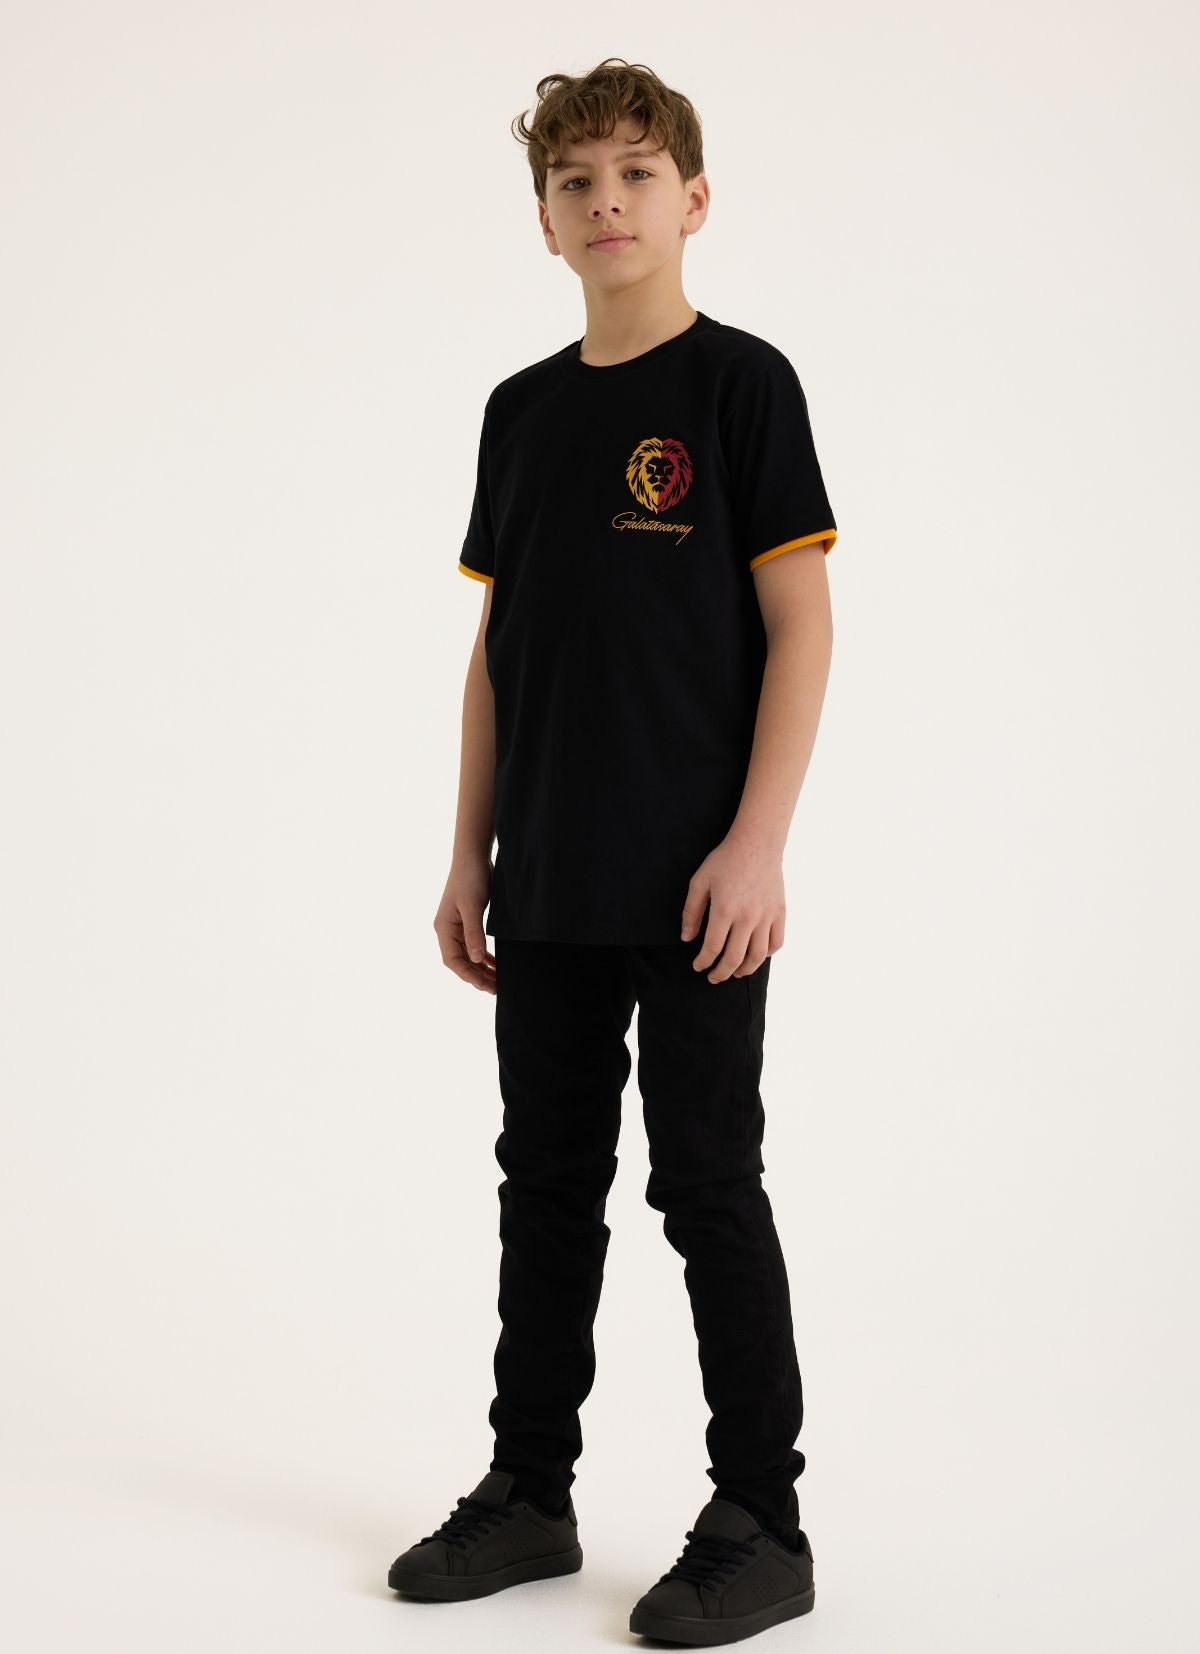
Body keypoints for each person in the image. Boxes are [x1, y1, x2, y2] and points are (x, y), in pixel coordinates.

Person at [388, 57, 839, 1646]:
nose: (608, 201)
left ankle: (763, 1517)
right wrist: (468, 852)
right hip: (553, 874)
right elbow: (496, 648)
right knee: (546, 1183)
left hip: (701, 879)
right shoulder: (521, 413)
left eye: (638, 173)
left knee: (707, 1179)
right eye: (576, 181)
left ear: (693, 199)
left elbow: (802, 624)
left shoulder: (742, 389)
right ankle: (530, 1488)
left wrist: (758, 842)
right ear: (545, 221)